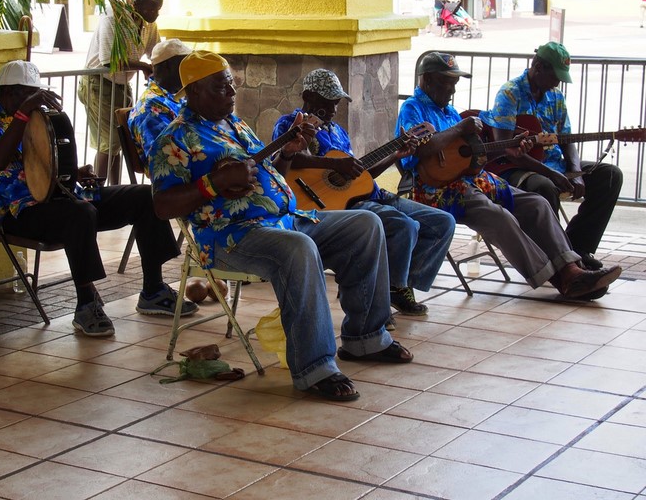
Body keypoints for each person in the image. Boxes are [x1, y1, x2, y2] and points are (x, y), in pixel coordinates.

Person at [149, 51, 413, 402]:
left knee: (366, 224)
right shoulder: (173, 141)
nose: (231, 92)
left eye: (231, 85)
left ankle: (366, 338)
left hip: (287, 221)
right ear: (194, 92)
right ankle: (314, 368)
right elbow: (162, 206)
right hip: (233, 236)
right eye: (221, 86)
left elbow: (273, 174)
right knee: (298, 248)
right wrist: (211, 184)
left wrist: (286, 153)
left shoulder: (234, 125)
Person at [0, 60, 197, 337]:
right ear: (9, 95)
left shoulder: (36, 121)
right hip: (25, 213)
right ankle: (86, 303)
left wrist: (75, 173)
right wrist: (23, 115)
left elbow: (46, 165)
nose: (36, 103)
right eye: (30, 96)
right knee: (80, 213)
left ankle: (153, 289)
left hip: (66, 198)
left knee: (145, 197)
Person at [396, 52, 622, 301]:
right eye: (446, 82)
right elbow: (417, 150)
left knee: (537, 203)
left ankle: (571, 267)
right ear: (427, 80)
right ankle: (561, 279)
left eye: (454, 83)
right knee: (500, 217)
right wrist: (460, 128)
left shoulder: (449, 111)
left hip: (473, 181)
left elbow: (470, 157)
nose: (452, 89)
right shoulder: (412, 109)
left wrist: (506, 150)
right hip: (436, 190)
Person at [272, 69, 456, 328]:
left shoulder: (338, 132)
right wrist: (334, 166)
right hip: (345, 205)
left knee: (442, 222)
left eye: (337, 102)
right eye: (328, 101)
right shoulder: (291, 123)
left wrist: (395, 155)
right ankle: (390, 290)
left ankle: (397, 285)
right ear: (307, 96)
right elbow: (287, 157)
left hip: (372, 194)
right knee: (404, 226)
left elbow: (358, 174)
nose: (334, 109)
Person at [485, 42, 623, 271]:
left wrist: (576, 173)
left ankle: (578, 249)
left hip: (553, 164)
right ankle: (558, 262)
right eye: (554, 76)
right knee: (544, 186)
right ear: (538, 67)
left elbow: (566, 140)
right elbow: (507, 148)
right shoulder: (509, 93)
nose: (557, 83)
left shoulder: (556, 97)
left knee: (610, 176)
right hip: (516, 168)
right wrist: (553, 174)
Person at [78, 0, 163, 185]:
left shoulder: (149, 24)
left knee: (119, 143)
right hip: (98, 83)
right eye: (151, 9)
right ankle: (98, 191)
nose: (156, 14)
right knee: (109, 143)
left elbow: (156, 52)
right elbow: (108, 60)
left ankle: (114, 191)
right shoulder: (113, 16)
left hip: (122, 85)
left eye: (158, 9)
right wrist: (143, 66)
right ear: (135, 5)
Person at [128, 38, 193, 170]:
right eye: (184, 65)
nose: (189, 70)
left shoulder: (177, 96)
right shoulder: (152, 108)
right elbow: (165, 160)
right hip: (176, 179)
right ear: (168, 66)